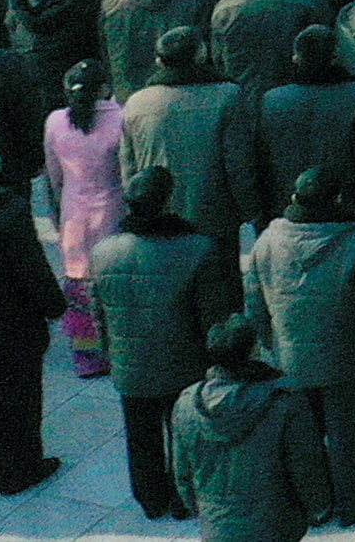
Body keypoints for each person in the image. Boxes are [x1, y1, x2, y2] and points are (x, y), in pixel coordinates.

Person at [245, 164, 355, 523]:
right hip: (343, 355)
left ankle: (316, 504)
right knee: (346, 434)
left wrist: (270, 342)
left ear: (295, 198)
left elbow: (255, 300)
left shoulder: (268, 240)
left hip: (290, 354)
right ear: (338, 199)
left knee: (304, 437)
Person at [93, 166, 237, 516]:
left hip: (131, 365)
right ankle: (183, 499)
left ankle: (151, 499)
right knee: (184, 434)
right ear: (169, 200)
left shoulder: (105, 252)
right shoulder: (197, 249)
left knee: (140, 436)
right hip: (182, 364)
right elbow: (210, 318)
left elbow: (101, 314)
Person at [169, 312, 332, 542]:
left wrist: (203, 511)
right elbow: (305, 464)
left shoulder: (187, 404)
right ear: (253, 351)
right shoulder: (284, 401)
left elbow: (182, 471)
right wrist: (319, 505)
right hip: (276, 523)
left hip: (217, 527)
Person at [48, 53, 124, 378]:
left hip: (73, 217)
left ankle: (88, 357)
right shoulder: (122, 118)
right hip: (114, 212)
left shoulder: (54, 123)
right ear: (104, 87)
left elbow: (54, 178)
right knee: (115, 285)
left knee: (78, 289)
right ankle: (119, 348)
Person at [0, 205, 53, 495]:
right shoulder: (8, 214)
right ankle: (22, 468)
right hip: (12, 325)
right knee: (21, 399)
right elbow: (32, 269)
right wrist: (53, 304)